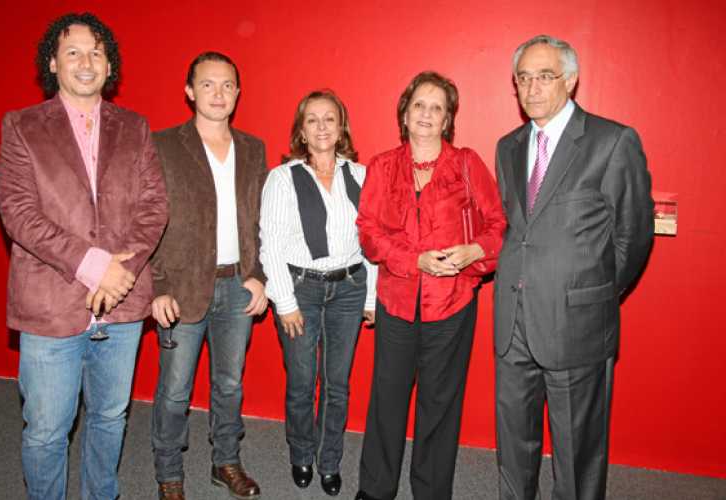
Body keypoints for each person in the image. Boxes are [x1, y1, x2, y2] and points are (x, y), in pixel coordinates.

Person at [0, 12, 167, 499]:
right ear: (53, 63)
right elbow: (18, 213)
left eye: (96, 52)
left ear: (109, 65)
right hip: (51, 305)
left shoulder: (134, 126)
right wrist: (95, 266)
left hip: (122, 305)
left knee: (110, 417)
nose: (86, 62)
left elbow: (155, 206)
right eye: (73, 52)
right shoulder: (23, 126)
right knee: (48, 430)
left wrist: (121, 272)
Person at [493, 34, 654, 500]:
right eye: (523, 78)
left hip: (577, 324)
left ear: (571, 79)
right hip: (513, 322)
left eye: (544, 76)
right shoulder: (508, 146)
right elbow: (517, 228)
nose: (532, 88)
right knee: (513, 446)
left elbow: (633, 237)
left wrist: (591, 295)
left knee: (577, 454)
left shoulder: (612, 141)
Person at [354, 71, 506, 500]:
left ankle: (432, 491)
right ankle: (376, 489)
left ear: (447, 120)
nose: (426, 114)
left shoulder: (467, 163)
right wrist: (414, 260)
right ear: (404, 113)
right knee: (387, 399)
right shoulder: (383, 166)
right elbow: (368, 233)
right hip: (397, 302)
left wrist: (474, 251)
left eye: (436, 108)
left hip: (452, 305)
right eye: (418, 105)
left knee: (440, 404)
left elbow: (498, 225)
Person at [148, 52, 268, 500]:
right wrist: (158, 286)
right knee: (175, 391)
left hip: (238, 287)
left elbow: (262, 221)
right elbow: (148, 221)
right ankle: (169, 473)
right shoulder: (162, 145)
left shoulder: (253, 148)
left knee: (230, 384)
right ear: (189, 91)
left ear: (238, 92)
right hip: (181, 289)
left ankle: (226, 461)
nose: (218, 93)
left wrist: (258, 275)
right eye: (207, 84)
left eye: (227, 85)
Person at [259, 90, 378, 497]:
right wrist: (285, 303)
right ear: (302, 131)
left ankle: (329, 462)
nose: (322, 126)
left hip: (349, 288)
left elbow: (373, 242)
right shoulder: (282, 178)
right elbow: (270, 245)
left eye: (330, 118)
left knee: (336, 384)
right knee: (301, 381)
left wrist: (370, 297)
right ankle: (301, 454)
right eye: (313, 119)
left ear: (341, 127)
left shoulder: (362, 176)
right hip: (301, 290)